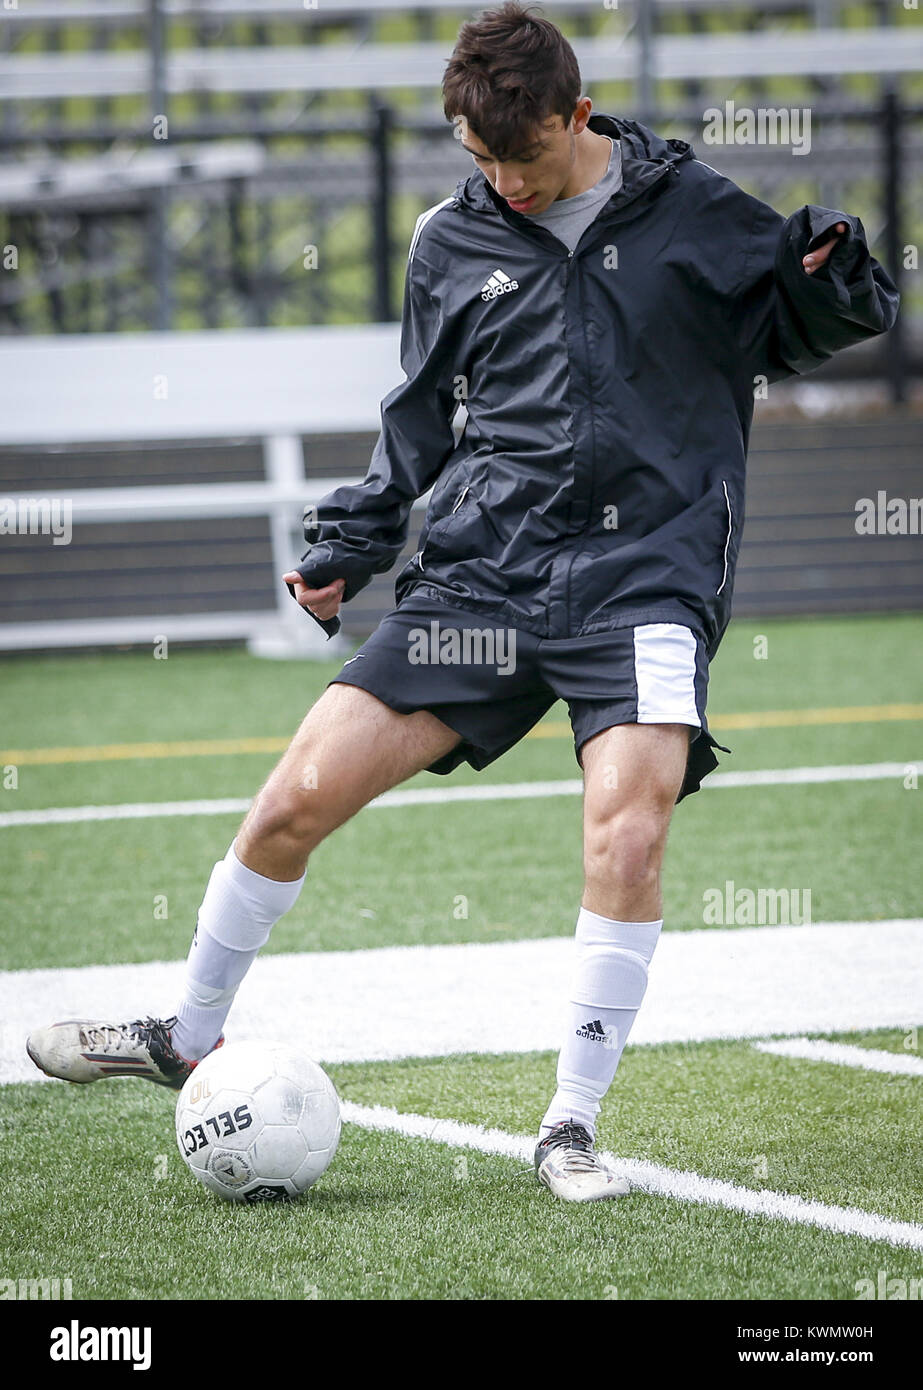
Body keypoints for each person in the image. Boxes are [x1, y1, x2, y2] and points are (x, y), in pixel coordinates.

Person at [27, 2, 899, 1202]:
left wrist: (835, 272)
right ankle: (187, 1030)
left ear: (576, 116)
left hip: (644, 571)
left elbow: (813, 322)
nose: (505, 183)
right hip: (482, 576)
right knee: (294, 799)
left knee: (629, 822)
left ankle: (569, 1123)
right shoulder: (449, 239)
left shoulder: (695, 213)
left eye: (522, 157)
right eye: (479, 161)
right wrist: (351, 541)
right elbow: (419, 418)